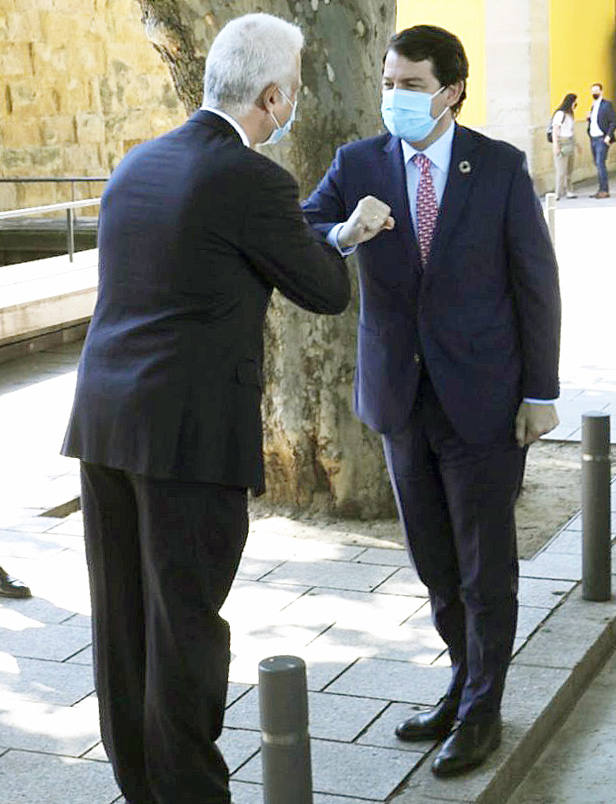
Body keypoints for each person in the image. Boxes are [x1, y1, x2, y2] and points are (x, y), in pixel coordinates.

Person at [61, 13, 349, 804]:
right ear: (269, 96)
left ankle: (141, 787)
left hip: (104, 422)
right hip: (187, 439)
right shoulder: (253, 178)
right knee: (184, 625)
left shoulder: (137, 161)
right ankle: (191, 793)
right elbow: (324, 288)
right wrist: (345, 235)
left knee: (122, 622)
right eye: (288, 93)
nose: (290, 105)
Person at [303, 25, 560, 777]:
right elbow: (303, 231)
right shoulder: (358, 162)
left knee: (487, 569)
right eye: (387, 82)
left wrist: (540, 393)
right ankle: (461, 679)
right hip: (399, 397)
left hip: (484, 398)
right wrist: (345, 233)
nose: (393, 97)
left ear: (450, 91)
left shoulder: (503, 168)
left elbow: (535, 286)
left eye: (409, 85)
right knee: (434, 563)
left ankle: (483, 710)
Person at [586, 82, 616, 198]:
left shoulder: (607, 105)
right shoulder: (593, 106)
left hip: (602, 139)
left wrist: (608, 136)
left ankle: (604, 190)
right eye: (593, 90)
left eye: (597, 90)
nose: (595, 92)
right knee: (597, 164)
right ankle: (600, 189)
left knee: (600, 163)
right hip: (593, 139)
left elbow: (613, 121)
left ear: (601, 91)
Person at [551, 92, 579, 199]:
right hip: (562, 142)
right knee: (561, 170)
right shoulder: (560, 114)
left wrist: (577, 145)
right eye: (575, 101)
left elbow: (571, 130)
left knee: (569, 169)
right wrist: (556, 145)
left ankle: (569, 190)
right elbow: (555, 130)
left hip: (570, 141)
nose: (576, 104)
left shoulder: (570, 115)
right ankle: (557, 193)